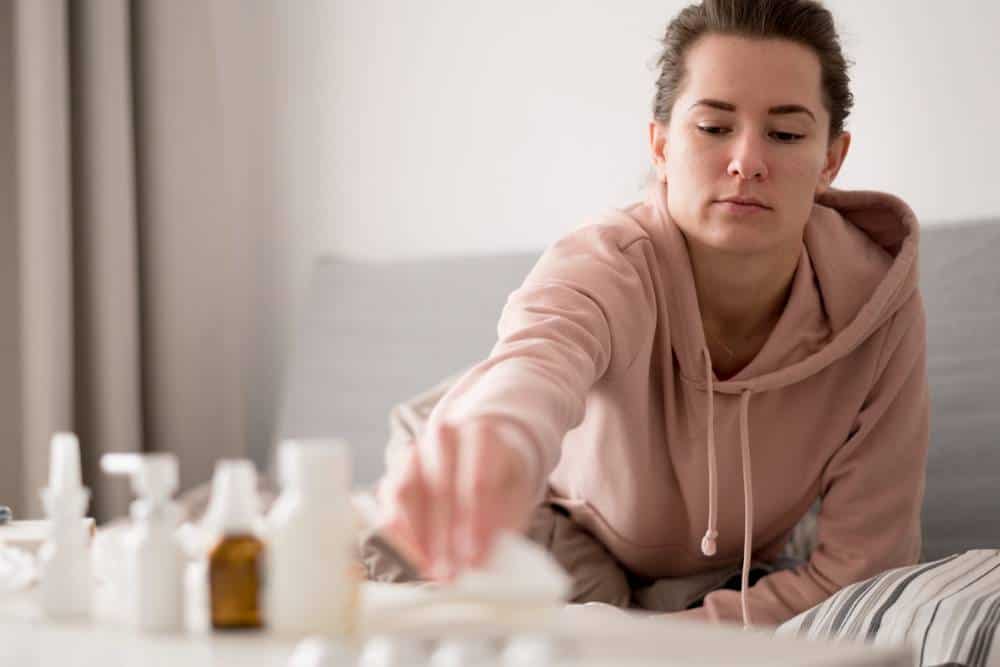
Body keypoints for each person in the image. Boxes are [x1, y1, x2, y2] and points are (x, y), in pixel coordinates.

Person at [373, 0, 929, 629]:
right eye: (714, 127)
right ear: (661, 145)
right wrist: (497, 440)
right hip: (541, 513)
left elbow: (865, 565)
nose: (747, 160)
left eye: (786, 133)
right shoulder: (606, 261)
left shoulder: (876, 302)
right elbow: (537, 359)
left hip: (700, 574)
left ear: (831, 159)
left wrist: (664, 638)